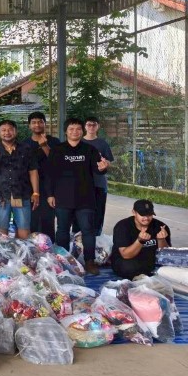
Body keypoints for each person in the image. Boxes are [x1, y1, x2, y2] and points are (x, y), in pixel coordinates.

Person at [46, 118, 109, 275]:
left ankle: (89, 262)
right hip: (62, 197)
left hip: (85, 198)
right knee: (62, 230)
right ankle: (63, 261)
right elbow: (50, 174)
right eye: (71, 129)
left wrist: (103, 168)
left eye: (78, 129)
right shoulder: (57, 150)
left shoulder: (90, 150)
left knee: (88, 231)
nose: (75, 132)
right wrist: (50, 194)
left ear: (82, 131)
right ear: (66, 131)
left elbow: (98, 169)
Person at [0, 120, 40, 239]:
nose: (7, 132)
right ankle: (4, 250)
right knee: (2, 229)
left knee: (24, 229)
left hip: (22, 193)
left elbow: (33, 171)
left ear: (15, 132)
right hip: (1, 195)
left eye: (10, 130)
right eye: (3, 130)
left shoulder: (26, 148)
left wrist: (36, 192)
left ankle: (22, 250)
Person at [111, 199, 171, 280]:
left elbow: (166, 255)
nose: (146, 218)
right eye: (142, 215)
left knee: (171, 265)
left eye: (149, 215)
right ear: (134, 212)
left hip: (150, 259)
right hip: (129, 260)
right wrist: (140, 241)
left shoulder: (161, 226)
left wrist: (161, 239)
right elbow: (126, 255)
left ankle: (150, 273)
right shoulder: (122, 226)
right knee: (128, 266)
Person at [23, 112, 60, 240]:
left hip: (49, 186)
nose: (37, 125)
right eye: (34, 122)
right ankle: (32, 246)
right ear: (29, 125)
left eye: (40, 122)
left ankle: (48, 246)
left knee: (47, 218)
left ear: (45, 124)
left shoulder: (54, 141)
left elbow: (57, 162)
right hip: (29, 186)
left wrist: (44, 146)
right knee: (31, 219)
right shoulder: (24, 144)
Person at [83, 116, 114, 236]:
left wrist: (104, 164)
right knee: (82, 211)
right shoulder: (79, 142)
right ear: (85, 126)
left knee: (99, 211)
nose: (91, 127)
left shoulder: (102, 143)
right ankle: (79, 235)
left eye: (94, 125)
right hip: (83, 184)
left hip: (99, 183)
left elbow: (109, 161)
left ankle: (97, 234)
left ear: (98, 126)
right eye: (89, 124)